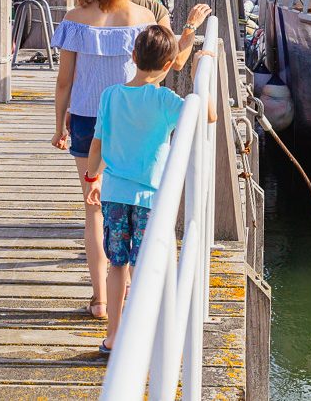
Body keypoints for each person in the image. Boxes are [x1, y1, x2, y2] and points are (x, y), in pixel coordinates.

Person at [51, 0, 211, 321]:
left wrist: (59, 126)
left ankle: (100, 300)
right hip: (128, 116)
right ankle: (134, 295)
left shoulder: (75, 19)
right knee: (128, 204)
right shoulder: (143, 18)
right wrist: (192, 34)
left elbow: (64, 82)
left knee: (93, 210)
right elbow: (168, 62)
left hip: (87, 118)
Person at [83, 24, 217, 355]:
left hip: (114, 193)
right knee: (145, 265)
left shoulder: (110, 95)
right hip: (149, 198)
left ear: (133, 56)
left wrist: (92, 179)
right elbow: (209, 115)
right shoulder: (165, 100)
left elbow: (97, 146)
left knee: (117, 264)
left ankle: (113, 336)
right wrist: (198, 71)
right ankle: (143, 336)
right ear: (170, 64)